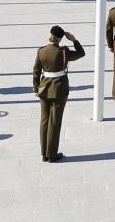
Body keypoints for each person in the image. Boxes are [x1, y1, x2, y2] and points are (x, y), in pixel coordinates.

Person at [32, 26, 85, 162]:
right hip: (59, 89)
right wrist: (74, 40)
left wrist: (36, 89)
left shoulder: (41, 51)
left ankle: (44, 153)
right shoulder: (63, 52)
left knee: (44, 121)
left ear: (50, 35)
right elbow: (81, 53)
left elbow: (36, 72)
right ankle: (52, 154)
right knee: (55, 122)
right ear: (60, 39)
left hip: (43, 89)